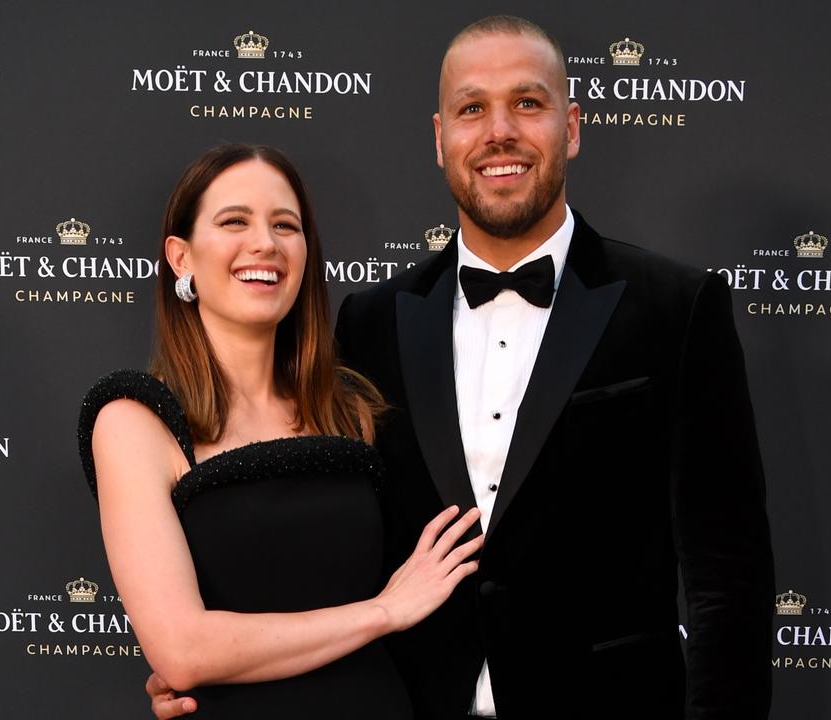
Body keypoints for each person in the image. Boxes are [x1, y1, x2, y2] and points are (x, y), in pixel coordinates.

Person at [150, 15, 774, 720]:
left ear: (570, 127)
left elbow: (729, 576)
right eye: (472, 108)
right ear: (440, 138)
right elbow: (323, 543)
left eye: (527, 104)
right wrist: (212, 673)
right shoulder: (372, 320)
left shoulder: (677, 307)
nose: (499, 131)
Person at [78, 143, 485, 719]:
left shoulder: (353, 410)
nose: (264, 243)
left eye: (285, 225)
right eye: (234, 221)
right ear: (181, 256)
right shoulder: (134, 421)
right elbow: (182, 651)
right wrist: (383, 612)